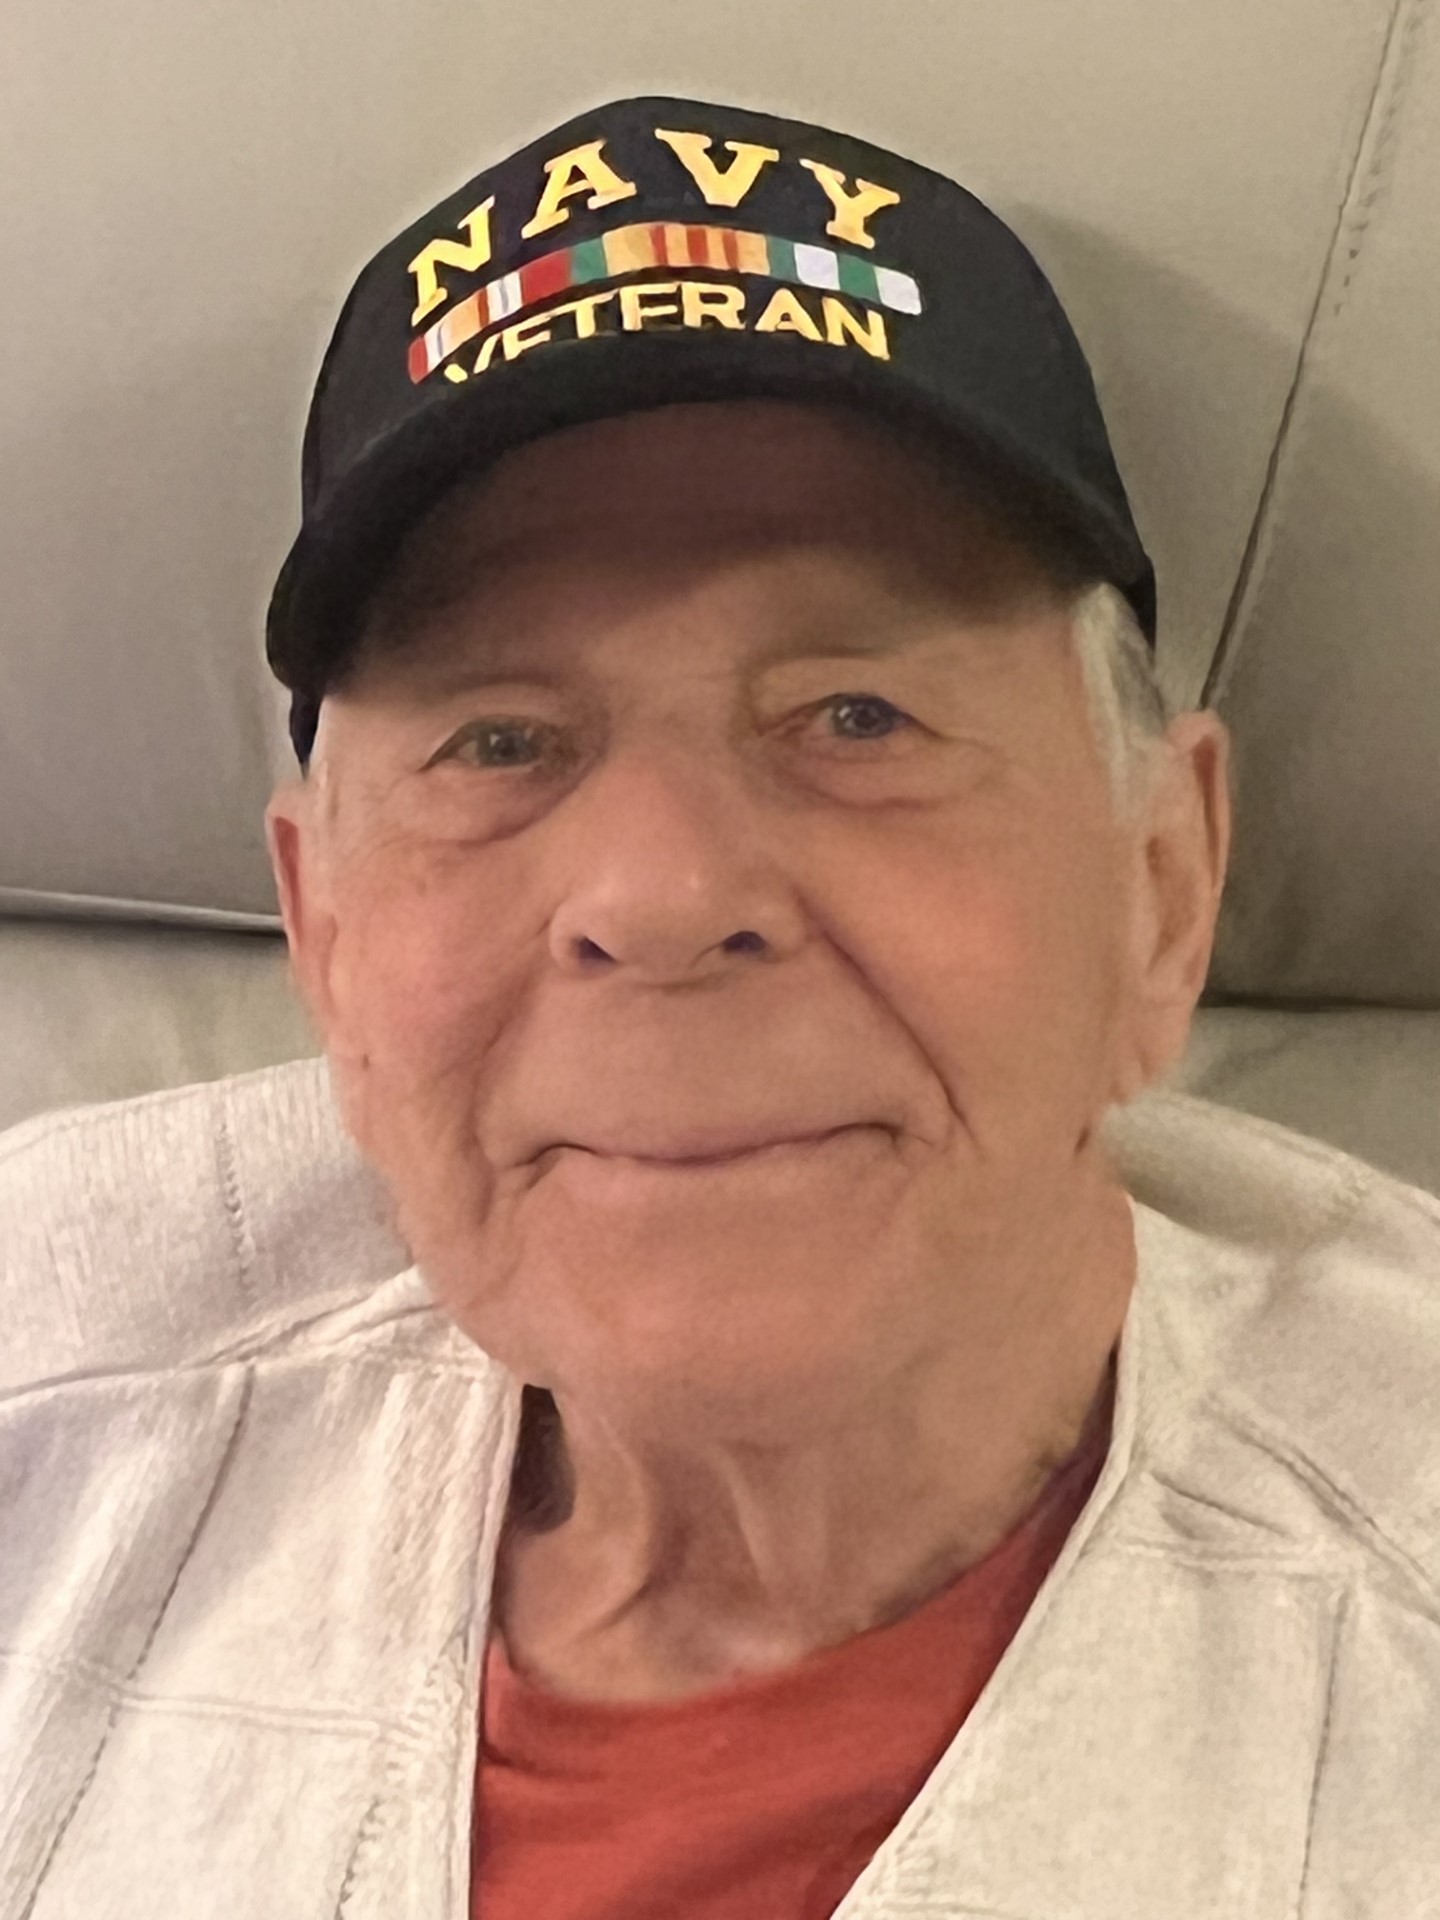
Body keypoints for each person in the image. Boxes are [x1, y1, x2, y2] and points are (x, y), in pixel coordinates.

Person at [5, 94, 1439, 1920]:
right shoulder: (51, 1404)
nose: (662, 895)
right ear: (325, 937)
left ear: (1162, 889)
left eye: (858, 717)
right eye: (500, 743)